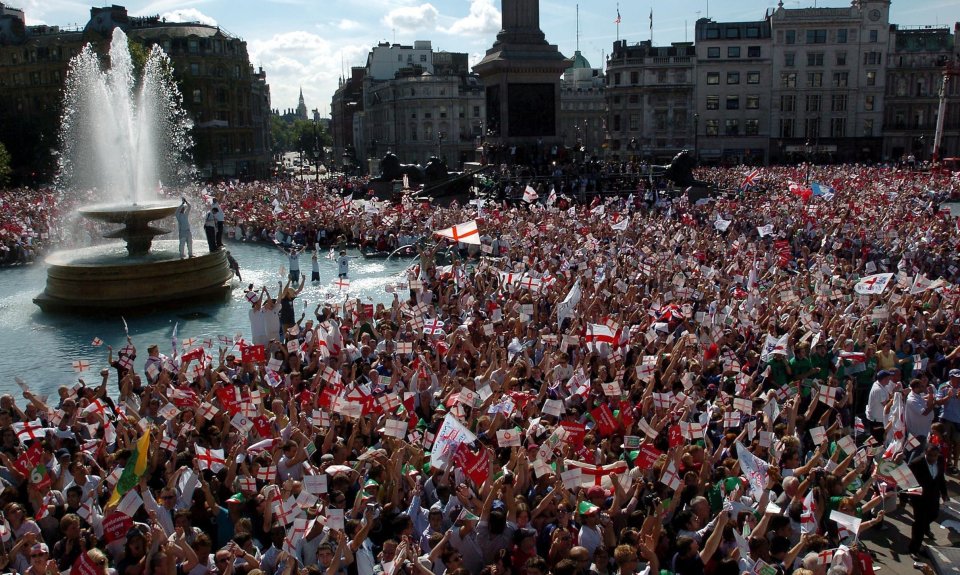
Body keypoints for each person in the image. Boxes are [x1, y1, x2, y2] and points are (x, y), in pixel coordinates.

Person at [906, 444, 948, 558]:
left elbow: (940, 478)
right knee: (919, 524)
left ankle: (924, 527)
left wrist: (944, 493)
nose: (932, 458)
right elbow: (907, 482)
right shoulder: (916, 463)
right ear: (925, 453)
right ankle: (914, 549)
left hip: (933, 496)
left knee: (934, 515)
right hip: (919, 499)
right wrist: (907, 498)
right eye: (930, 455)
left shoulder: (939, 461)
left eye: (935, 455)